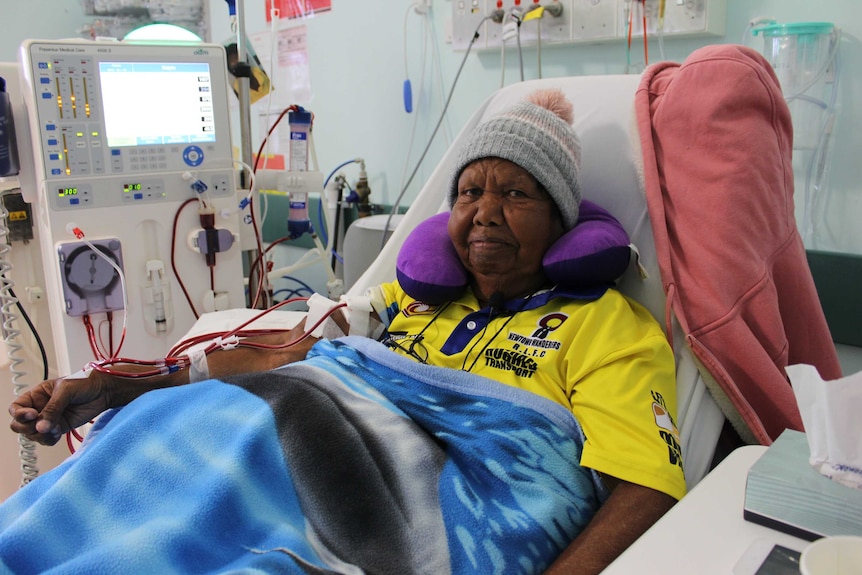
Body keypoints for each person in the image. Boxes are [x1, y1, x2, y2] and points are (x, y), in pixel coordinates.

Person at [7, 89, 684, 575]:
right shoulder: (406, 301)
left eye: (515, 194)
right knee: (168, 421)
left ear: (562, 218)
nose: (483, 213)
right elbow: (287, 358)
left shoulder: (609, 328)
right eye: (469, 192)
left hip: (413, 498)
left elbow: (645, 483)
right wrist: (118, 386)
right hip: (304, 437)